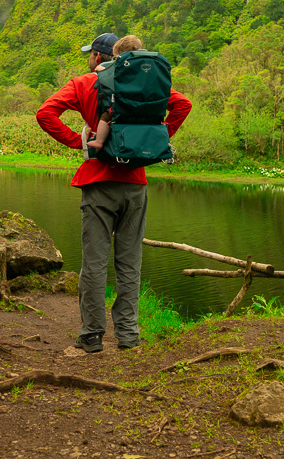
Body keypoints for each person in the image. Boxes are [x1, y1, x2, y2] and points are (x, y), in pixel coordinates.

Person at [36, 33, 192, 353]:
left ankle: (92, 335)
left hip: (97, 183)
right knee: (129, 263)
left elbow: (45, 113)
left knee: (94, 263)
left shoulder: (83, 83)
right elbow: (182, 104)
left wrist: (76, 141)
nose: (88, 59)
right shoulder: (143, 80)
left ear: (97, 56)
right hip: (135, 183)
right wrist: (155, 141)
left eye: (89, 54)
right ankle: (128, 335)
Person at [88, 35, 145, 151]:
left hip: (125, 106)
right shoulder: (142, 69)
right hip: (143, 110)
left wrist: (102, 70)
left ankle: (99, 141)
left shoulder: (125, 67)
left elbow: (114, 78)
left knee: (106, 116)